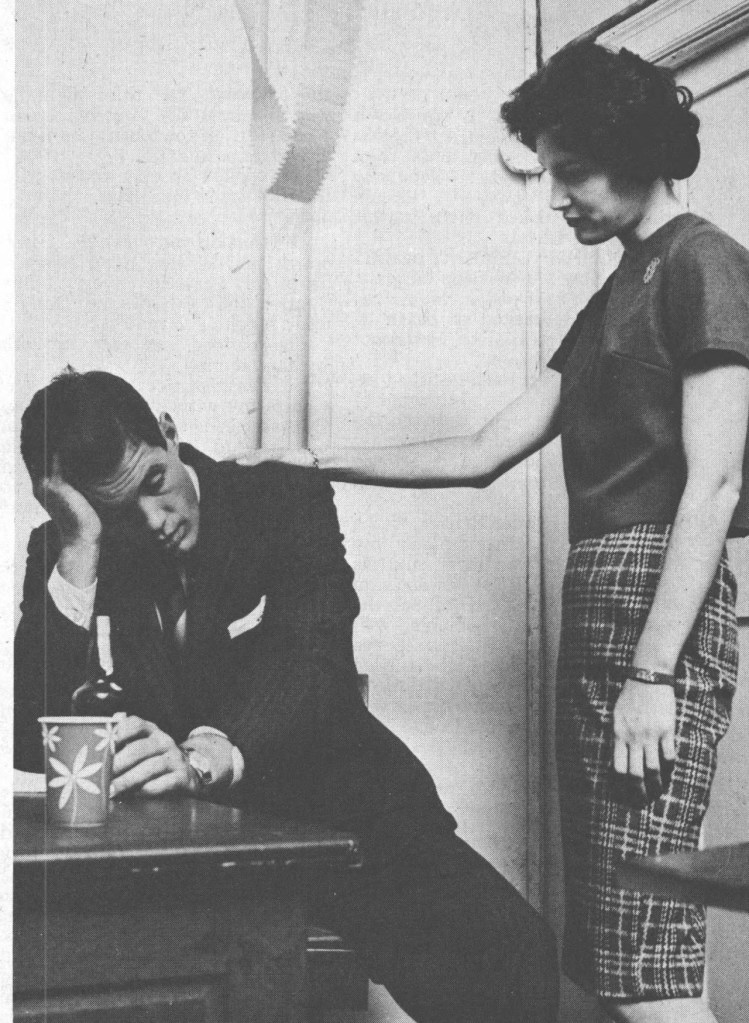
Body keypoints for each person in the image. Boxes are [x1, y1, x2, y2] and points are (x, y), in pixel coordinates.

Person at [236, 42, 749, 1023]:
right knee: (618, 951)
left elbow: (714, 484)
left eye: (571, 171)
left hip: (656, 621)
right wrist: (309, 460)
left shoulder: (703, 263)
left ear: (636, 151)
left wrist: (652, 674)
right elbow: (482, 450)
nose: (553, 196)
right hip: (602, 606)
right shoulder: (615, 291)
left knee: (648, 957)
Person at [14, 367, 558, 1023]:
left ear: (169, 432)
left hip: (338, 813)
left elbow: (315, 658)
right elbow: (31, 738)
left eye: (155, 482)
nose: (153, 521)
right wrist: (81, 547)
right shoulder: (71, 551)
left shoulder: (278, 496)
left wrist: (204, 754)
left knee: (514, 958)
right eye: (117, 510)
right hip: (185, 862)